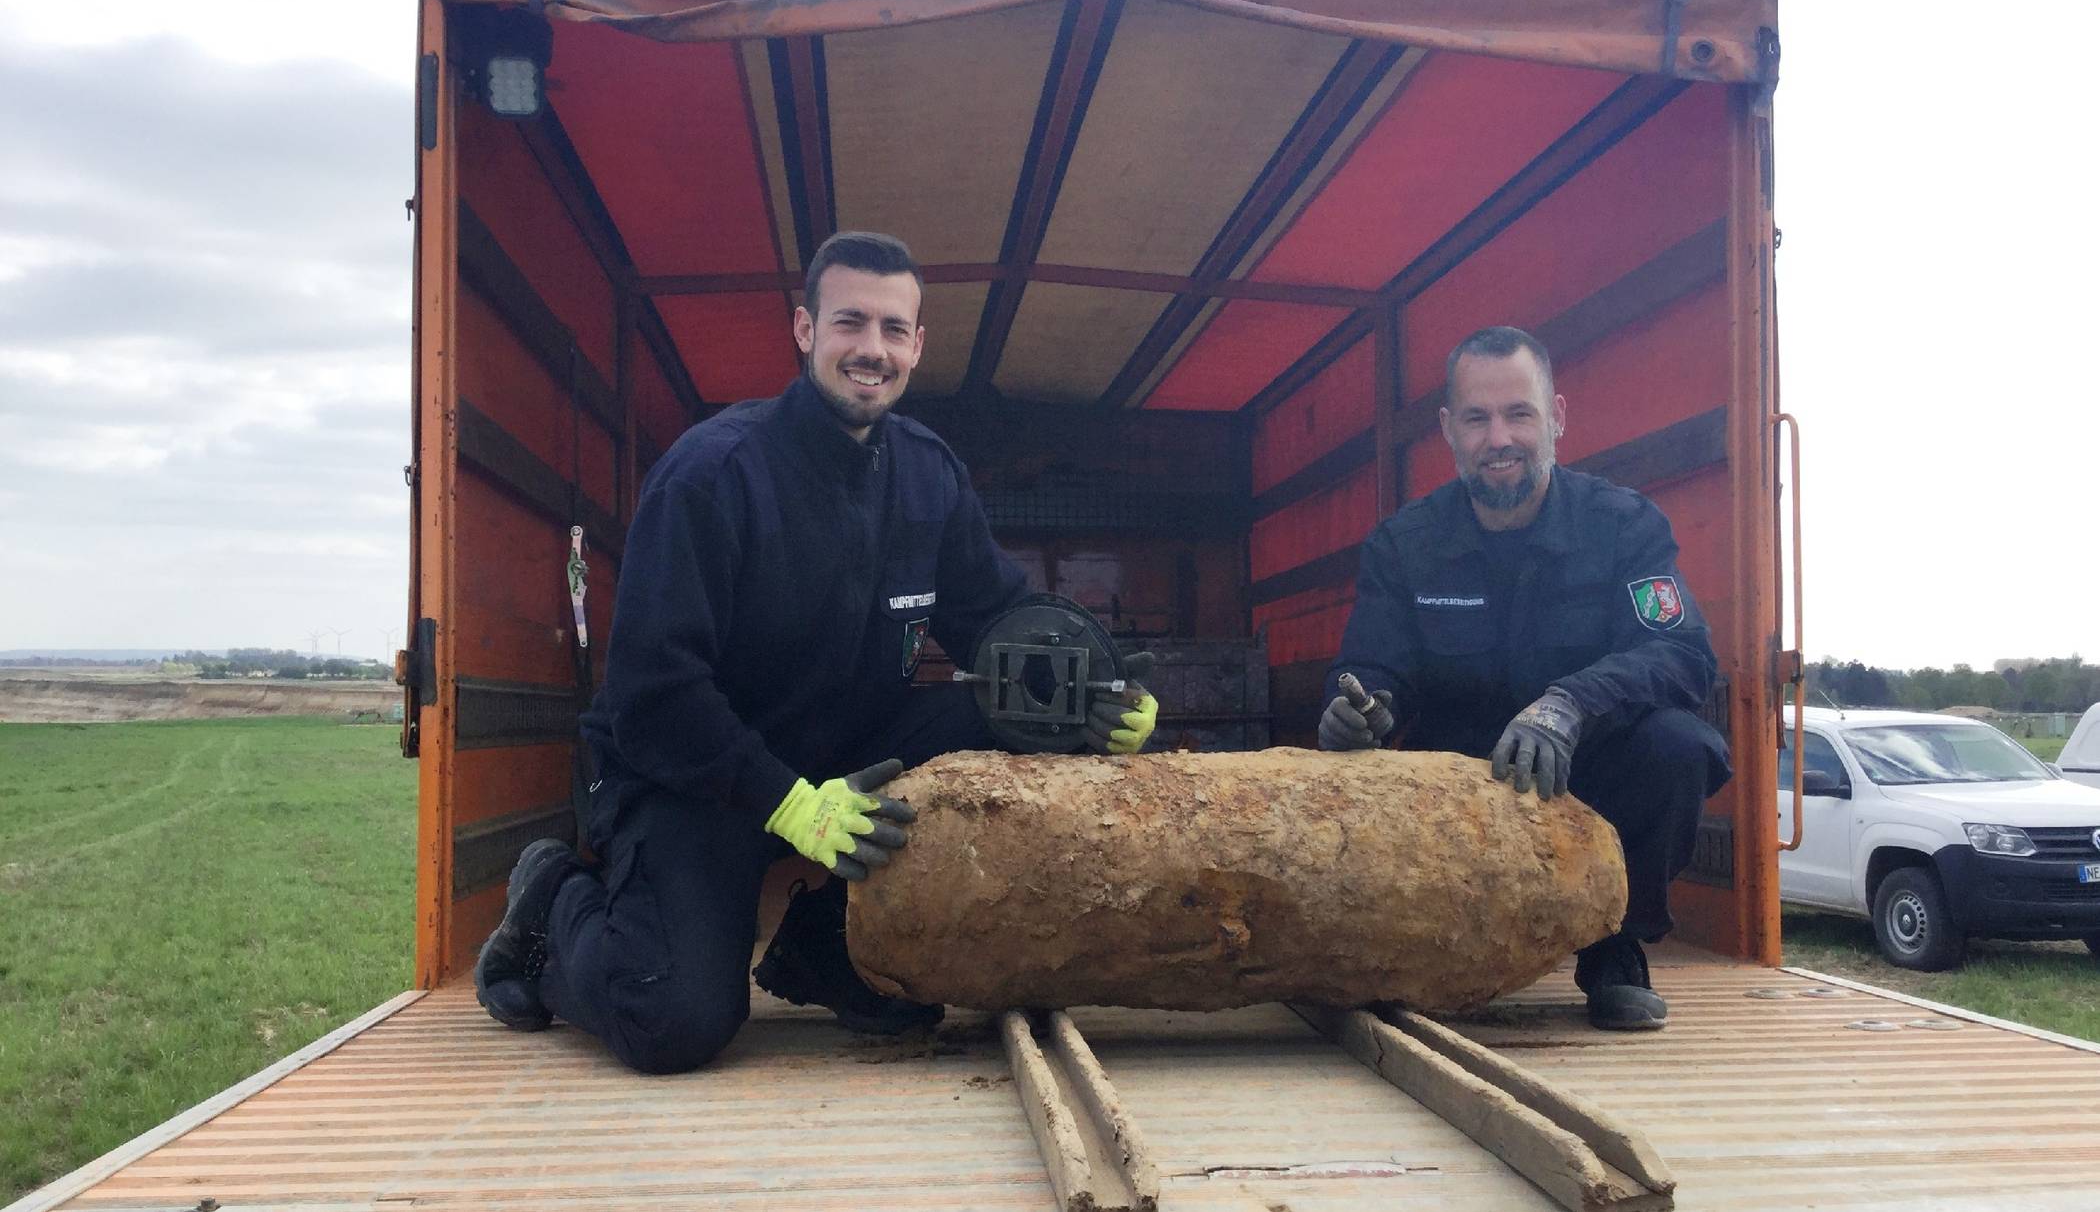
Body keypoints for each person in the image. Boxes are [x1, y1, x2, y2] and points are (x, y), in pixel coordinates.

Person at [472, 232, 1159, 1073]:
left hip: (842, 743)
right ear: (804, 330)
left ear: (916, 346)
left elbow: (1001, 623)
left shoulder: (928, 476)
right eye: (850, 323)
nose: (873, 349)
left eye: (894, 330)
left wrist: (1100, 691)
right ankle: (550, 910)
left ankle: (826, 946)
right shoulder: (712, 475)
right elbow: (655, 693)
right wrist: (789, 803)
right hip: (692, 769)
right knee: (675, 1019)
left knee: (1011, 715)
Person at [1320, 325, 1728, 1031]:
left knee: (1679, 747)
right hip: (1455, 785)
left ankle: (1612, 946)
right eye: (1477, 418)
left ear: (1557, 418)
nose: (1498, 437)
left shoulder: (1626, 526)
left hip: (1586, 769)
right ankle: (1424, 943)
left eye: (1519, 414)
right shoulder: (1402, 545)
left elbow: (1681, 654)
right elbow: (1373, 667)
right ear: (1449, 430)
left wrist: (1569, 705)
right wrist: (1360, 709)